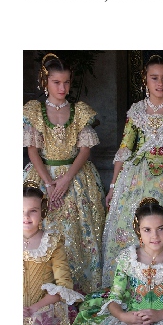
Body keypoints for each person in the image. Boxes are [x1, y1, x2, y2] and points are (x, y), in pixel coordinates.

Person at [102, 55, 163, 289]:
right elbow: (125, 148)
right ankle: (133, 284)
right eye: (154, 78)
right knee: (134, 225)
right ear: (145, 80)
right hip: (138, 178)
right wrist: (113, 186)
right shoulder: (136, 111)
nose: (160, 83)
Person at [23, 53, 105, 294]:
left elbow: (85, 149)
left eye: (67, 82)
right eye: (56, 82)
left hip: (76, 177)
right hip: (43, 175)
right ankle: (42, 288)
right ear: (45, 82)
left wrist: (67, 178)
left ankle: (80, 288)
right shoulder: (35, 111)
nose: (62, 88)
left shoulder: (79, 111)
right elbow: (32, 151)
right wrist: (49, 184)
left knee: (81, 232)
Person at [23, 187, 83, 325]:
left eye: (33, 210)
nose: (26, 217)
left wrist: (34, 308)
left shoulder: (52, 242)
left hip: (43, 309)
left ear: (43, 211)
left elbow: (64, 286)